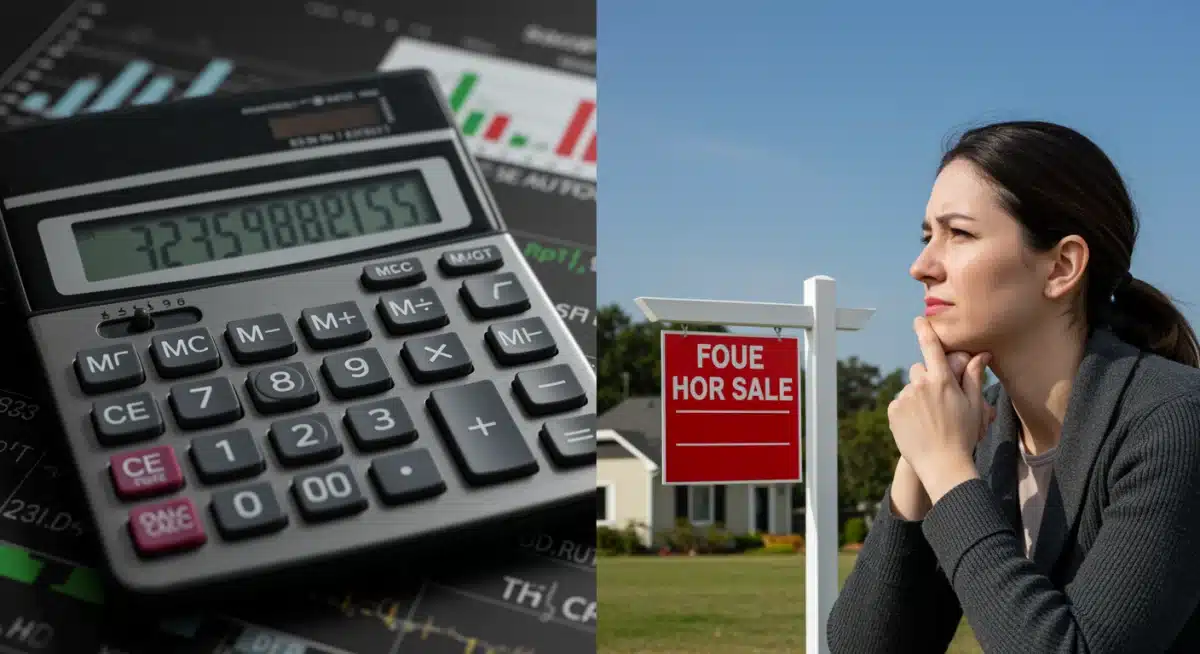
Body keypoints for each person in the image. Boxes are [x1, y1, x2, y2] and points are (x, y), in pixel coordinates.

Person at [826, 120, 1200, 654]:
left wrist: (948, 470)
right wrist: (920, 460)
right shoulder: (982, 430)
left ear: (1062, 266)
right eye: (927, 236)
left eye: (959, 234)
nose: (921, 267)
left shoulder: (1174, 421)